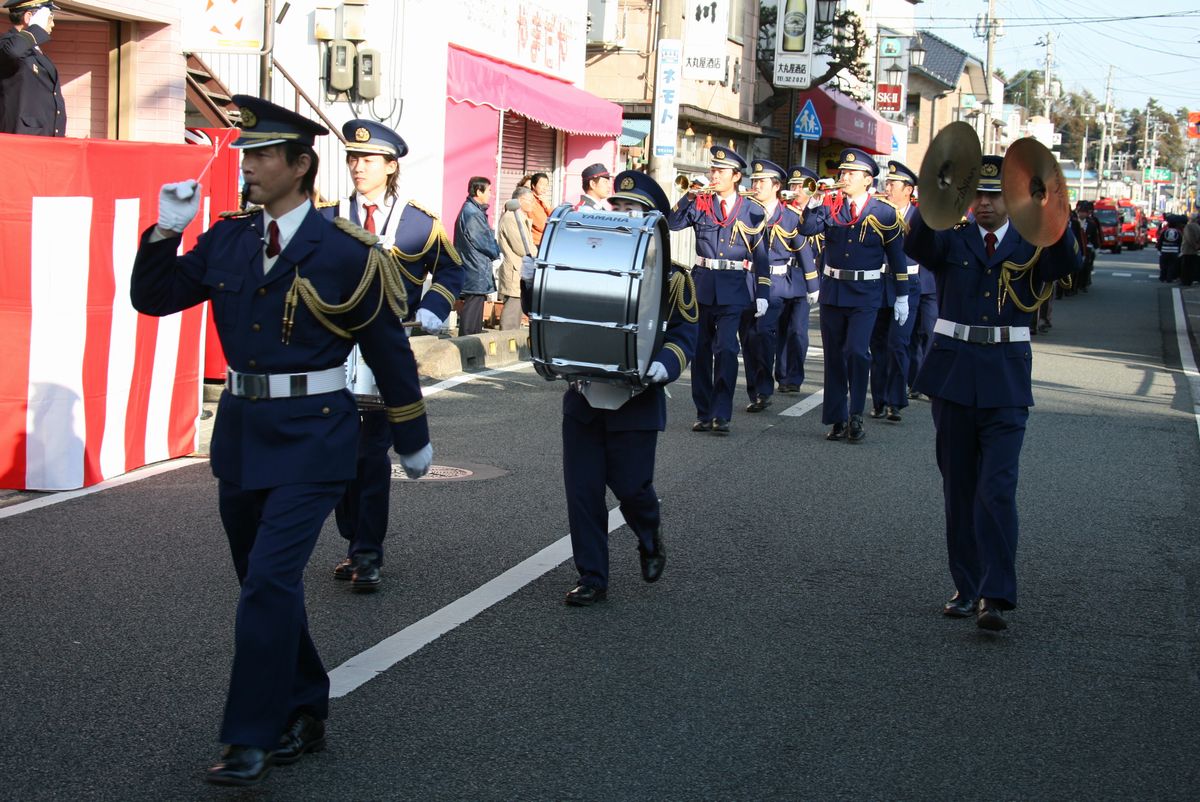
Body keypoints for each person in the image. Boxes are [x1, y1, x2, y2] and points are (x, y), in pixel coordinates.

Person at [130, 96, 433, 786]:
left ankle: (250, 737)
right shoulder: (231, 238)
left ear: (301, 166)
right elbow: (154, 298)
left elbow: (387, 348)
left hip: (317, 440)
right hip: (242, 436)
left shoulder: (342, 252)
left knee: (268, 581)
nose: (250, 166)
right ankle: (306, 704)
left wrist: (410, 435)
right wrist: (165, 232)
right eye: (246, 154)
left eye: (264, 155)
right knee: (261, 584)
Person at [905, 154, 1081, 632]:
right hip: (954, 377)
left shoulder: (1032, 244)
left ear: (1013, 199)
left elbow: (1071, 263)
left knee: (997, 489)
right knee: (959, 488)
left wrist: (1051, 206)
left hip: (1005, 381)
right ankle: (966, 587)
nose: (985, 204)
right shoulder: (951, 237)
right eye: (977, 195)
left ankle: (996, 594)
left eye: (995, 195)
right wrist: (934, 190)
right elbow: (916, 239)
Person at [323, 119, 463, 592]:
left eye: (367, 159)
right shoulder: (326, 216)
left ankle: (367, 554)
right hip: (333, 352)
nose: (357, 166)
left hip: (385, 353)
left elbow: (451, 272)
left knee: (371, 455)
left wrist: (433, 305)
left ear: (390, 165)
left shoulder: (418, 221)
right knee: (336, 453)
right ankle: (354, 537)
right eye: (352, 158)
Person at [559, 170, 698, 606]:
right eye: (617, 207)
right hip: (584, 396)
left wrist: (664, 365)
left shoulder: (674, 278)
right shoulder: (583, 261)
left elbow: (684, 336)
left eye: (631, 209)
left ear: (652, 220)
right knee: (583, 491)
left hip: (635, 399)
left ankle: (649, 533)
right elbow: (553, 309)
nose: (621, 215)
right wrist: (530, 282)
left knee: (633, 487)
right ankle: (592, 577)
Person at [795, 148, 909, 443]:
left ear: (868, 179)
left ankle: (856, 412)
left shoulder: (884, 212)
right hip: (834, 291)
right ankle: (836, 417)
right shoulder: (829, 207)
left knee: (857, 352)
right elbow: (806, 229)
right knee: (835, 357)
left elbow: (897, 257)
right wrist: (812, 202)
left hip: (866, 293)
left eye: (851, 173)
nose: (843, 177)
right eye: (842, 172)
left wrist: (902, 295)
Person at [667, 145, 769, 434]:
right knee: (700, 352)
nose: (714, 175)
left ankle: (721, 413)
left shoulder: (751, 209)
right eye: (713, 169)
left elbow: (760, 254)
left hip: (735, 288)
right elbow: (672, 223)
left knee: (726, 349)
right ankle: (704, 411)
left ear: (736, 176)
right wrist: (689, 194)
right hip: (702, 286)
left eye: (721, 171)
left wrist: (762, 292)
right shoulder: (700, 202)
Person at [739, 159, 812, 412]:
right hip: (746, 281)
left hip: (777, 283)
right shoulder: (744, 211)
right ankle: (755, 388)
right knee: (748, 337)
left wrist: (812, 285)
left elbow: (802, 250)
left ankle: (764, 389)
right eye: (754, 180)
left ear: (776, 186)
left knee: (764, 332)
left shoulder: (790, 216)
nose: (755, 185)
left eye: (762, 181)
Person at [868, 160, 922, 422]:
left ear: (908, 190)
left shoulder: (919, 218)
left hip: (908, 286)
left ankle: (895, 401)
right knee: (876, 344)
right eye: (887, 183)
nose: (887, 187)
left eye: (893, 183)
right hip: (879, 284)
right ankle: (878, 400)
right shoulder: (879, 213)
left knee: (898, 344)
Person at [774, 166, 822, 395]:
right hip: (784, 274)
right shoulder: (782, 212)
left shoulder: (819, 213)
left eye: (800, 186)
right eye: (792, 185)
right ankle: (782, 375)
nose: (794, 190)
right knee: (780, 327)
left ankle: (794, 376)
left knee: (798, 330)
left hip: (805, 278)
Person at [0, 0, 65, 137]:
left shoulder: (33, 50)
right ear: (29, 17)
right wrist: (35, 28)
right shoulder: (6, 44)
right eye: (49, 18)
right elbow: (13, 51)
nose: (52, 24)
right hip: (22, 138)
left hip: (43, 136)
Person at [453, 175, 500, 335]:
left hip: (473, 266)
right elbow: (483, 241)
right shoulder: (472, 213)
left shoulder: (471, 210)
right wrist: (496, 253)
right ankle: (466, 348)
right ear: (478, 191)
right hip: (475, 267)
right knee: (472, 313)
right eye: (489, 191)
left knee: (475, 311)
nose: (490, 194)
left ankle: (470, 348)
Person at [497, 187, 536, 329]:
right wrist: (538, 254)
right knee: (512, 315)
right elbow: (523, 247)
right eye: (530, 200)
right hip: (514, 271)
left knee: (517, 312)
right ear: (519, 201)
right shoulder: (512, 218)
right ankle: (506, 347)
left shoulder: (519, 217)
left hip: (518, 270)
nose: (533, 204)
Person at [528, 171, 554, 246]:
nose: (544, 188)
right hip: (536, 242)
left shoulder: (542, 200)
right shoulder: (531, 201)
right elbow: (542, 225)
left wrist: (548, 207)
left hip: (543, 241)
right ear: (533, 185)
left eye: (546, 185)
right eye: (542, 185)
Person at [1157, 213, 1183, 283]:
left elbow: (1160, 241)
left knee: (1163, 265)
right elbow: (1180, 242)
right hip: (1174, 251)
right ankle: (1169, 278)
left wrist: (1159, 249)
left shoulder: (1164, 231)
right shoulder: (1178, 232)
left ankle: (1163, 277)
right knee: (1172, 265)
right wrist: (1180, 251)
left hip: (1164, 251)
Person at [1180, 213, 1200, 287]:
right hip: (1195, 250)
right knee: (1192, 266)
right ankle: (1190, 280)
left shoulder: (1188, 226)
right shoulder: (1198, 226)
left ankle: (1185, 281)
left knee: (1186, 266)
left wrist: (1194, 246)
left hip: (1187, 249)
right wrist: (1197, 246)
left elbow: (1189, 238)